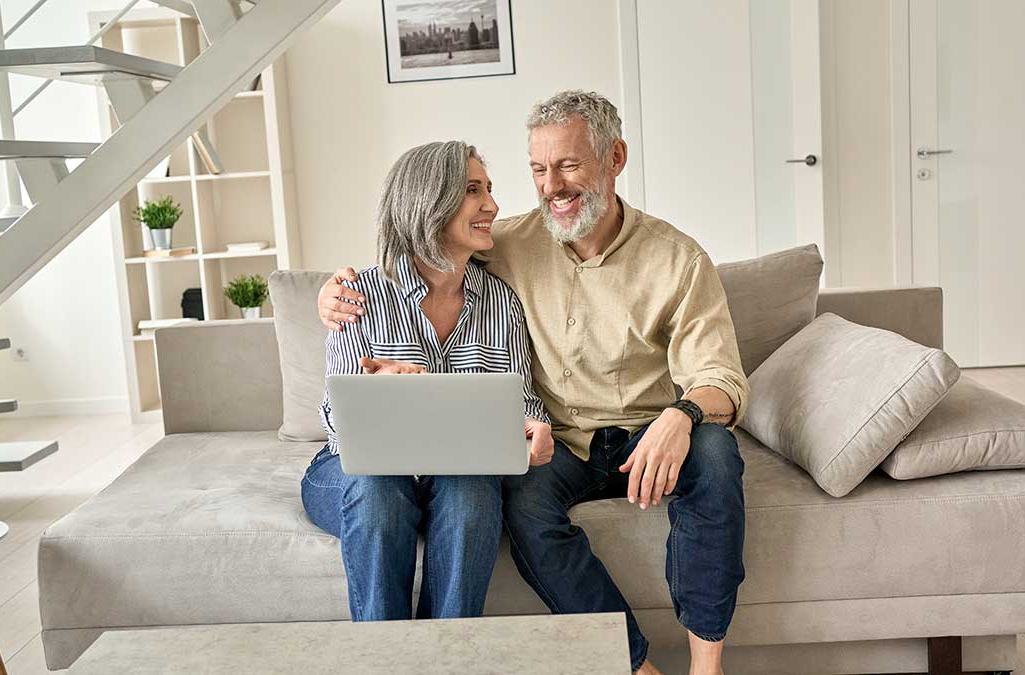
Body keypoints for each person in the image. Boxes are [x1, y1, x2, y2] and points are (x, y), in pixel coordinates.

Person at [317, 92, 748, 675]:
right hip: (538, 452)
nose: (549, 188)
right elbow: (346, 409)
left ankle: (705, 665)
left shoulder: (670, 260)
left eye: (568, 165)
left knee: (714, 454)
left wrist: (680, 415)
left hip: (645, 436)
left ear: (615, 157)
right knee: (453, 497)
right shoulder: (475, 257)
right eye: (538, 171)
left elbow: (718, 376)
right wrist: (342, 311)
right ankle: (629, 666)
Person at [300, 140, 555, 623]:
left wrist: (536, 429)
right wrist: (375, 388)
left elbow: (521, 401)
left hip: (455, 473)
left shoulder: (500, 301)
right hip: (356, 472)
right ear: (429, 201)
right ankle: (384, 659)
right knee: (378, 491)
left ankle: (447, 657)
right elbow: (338, 426)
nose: (493, 205)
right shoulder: (361, 295)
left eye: (490, 189)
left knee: (474, 492)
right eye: (473, 191)